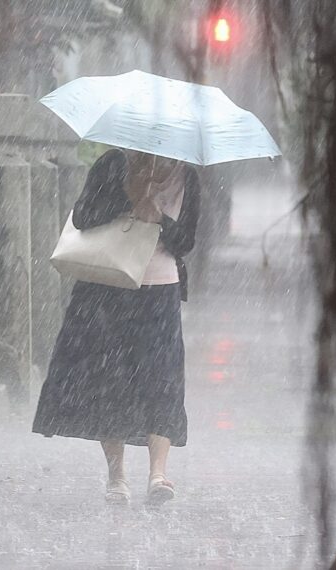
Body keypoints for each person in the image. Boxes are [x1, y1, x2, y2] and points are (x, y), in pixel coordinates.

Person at [32, 147, 201, 505]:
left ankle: (158, 475)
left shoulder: (188, 177)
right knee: (109, 380)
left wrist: (158, 217)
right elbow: (82, 216)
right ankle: (117, 476)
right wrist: (126, 199)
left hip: (160, 290)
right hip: (106, 289)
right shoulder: (113, 163)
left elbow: (186, 242)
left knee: (162, 380)